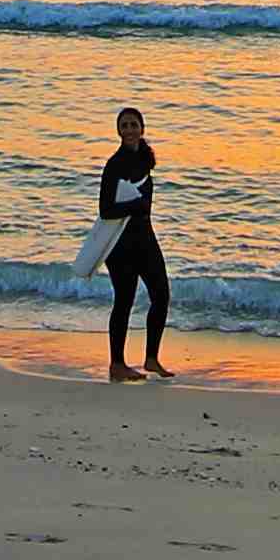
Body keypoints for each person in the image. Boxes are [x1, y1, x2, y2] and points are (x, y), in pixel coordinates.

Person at [92, 106, 171, 382]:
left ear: (142, 128)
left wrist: (140, 207)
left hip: (145, 239)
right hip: (120, 244)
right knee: (124, 302)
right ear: (118, 131)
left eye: (133, 125)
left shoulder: (145, 160)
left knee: (161, 295)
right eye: (124, 126)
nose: (129, 130)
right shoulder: (115, 164)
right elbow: (105, 209)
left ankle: (151, 359)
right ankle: (117, 364)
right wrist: (135, 205)